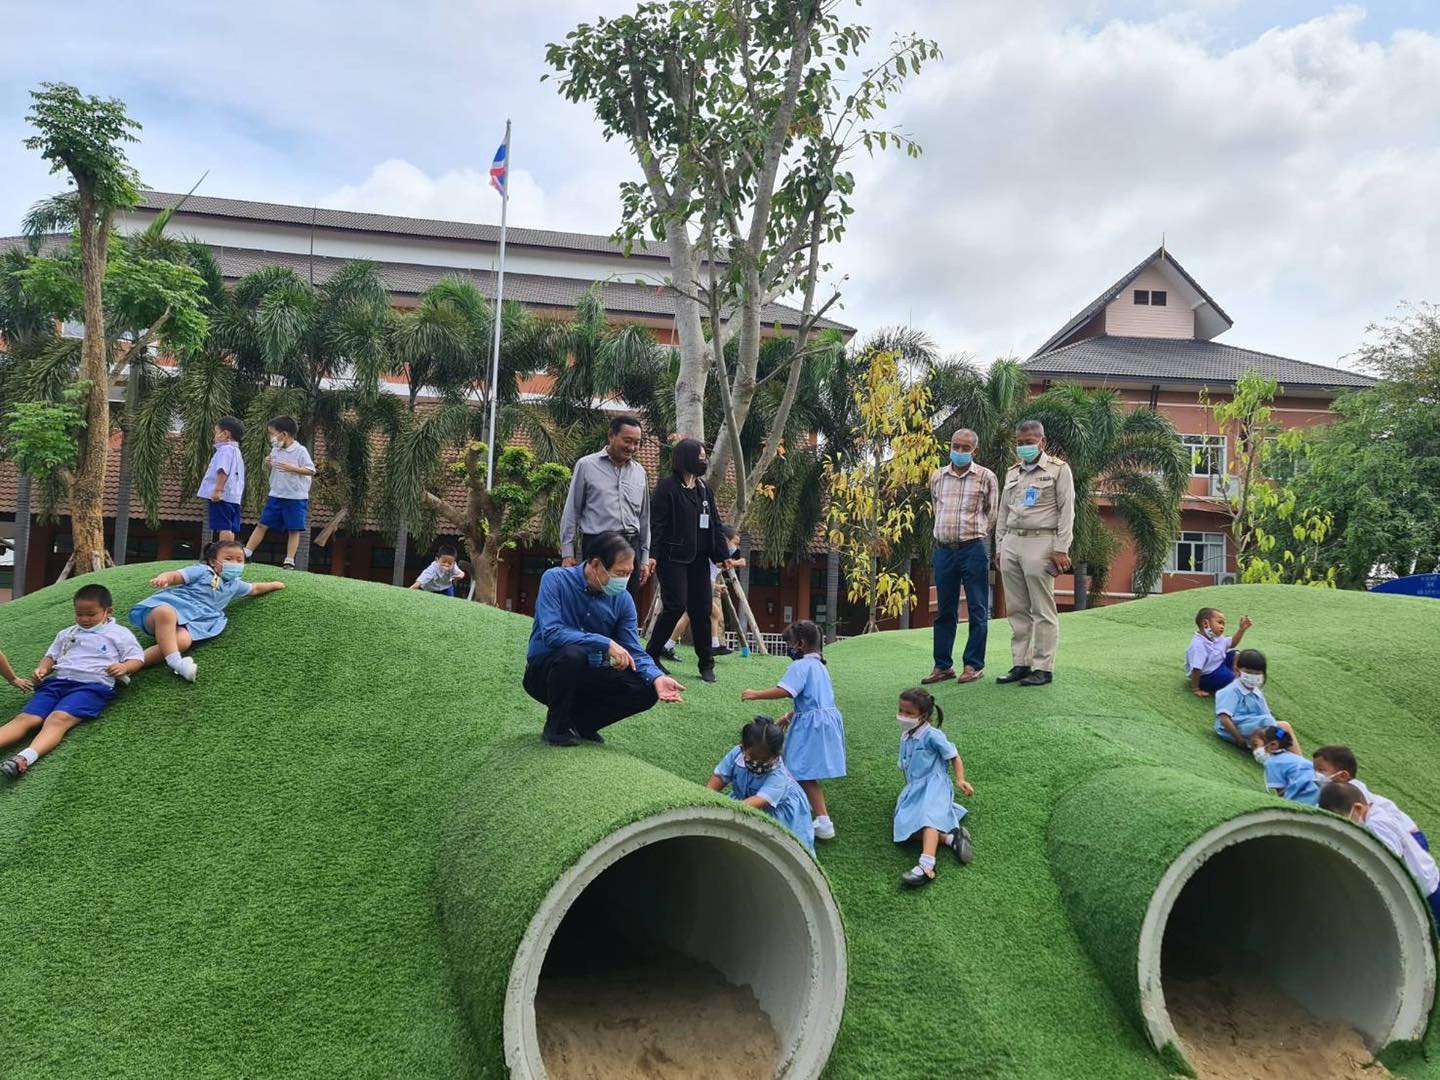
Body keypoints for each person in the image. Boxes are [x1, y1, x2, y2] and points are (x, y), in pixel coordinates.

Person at [525, 532, 686, 747]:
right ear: (595, 565)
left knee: (646, 687)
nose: (624, 579)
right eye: (619, 573)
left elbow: (633, 648)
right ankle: (556, 727)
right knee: (573, 654)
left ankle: (581, 724)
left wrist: (657, 677)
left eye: (628, 573)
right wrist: (606, 643)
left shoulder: (623, 599)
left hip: (591, 672)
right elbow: (552, 633)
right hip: (546, 673)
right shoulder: (555, 579)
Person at [0, 584, 145, 780]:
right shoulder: (67, 633)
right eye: (79, 614)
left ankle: (25, 758)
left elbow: (137, 658)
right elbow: (51, 656)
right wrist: (42, 669)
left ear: (108, 611)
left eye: (91, 614)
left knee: (57, 719)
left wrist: (125, 667)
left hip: (91, 686)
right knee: (27, 718)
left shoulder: (119, 633)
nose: (84, 619)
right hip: (58, 682)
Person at [740, 620, 844, 841]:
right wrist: (789, 716)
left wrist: (755, 694)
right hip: (822, 721)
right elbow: (813, 699)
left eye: (790, 644)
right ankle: (813, 812)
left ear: (801, 644)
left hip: (811, 726)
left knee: (799, 771)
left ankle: (822, 820)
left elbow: (786, 690)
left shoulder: (801, 666)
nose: (789, 648)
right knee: (803, 770)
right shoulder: (820, 666)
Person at [129, 540, 286, 682]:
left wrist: (274, 585)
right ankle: (176, 662)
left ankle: (129, 666)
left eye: (240, 560)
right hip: (168, 611)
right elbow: (175, 576)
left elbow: (255, 588)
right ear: (212, 561)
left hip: (193, 623)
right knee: (166, 612)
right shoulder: (202, 571)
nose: (235, 564)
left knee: (183, 642)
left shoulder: (235, 585)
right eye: (229, 559)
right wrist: (164, 578)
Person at [995, 419, 1075, 687]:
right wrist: (1000, 547)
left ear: (1042, 441)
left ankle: (1043, 667)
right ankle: (1021, 663)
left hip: (1041, 542)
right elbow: (1003, 512)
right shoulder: (1012, 472)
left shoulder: (1058, 470)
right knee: (1017, 608)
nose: (1023, 447)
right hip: (1012, 541)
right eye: (1019, 443)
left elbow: (1067, 511)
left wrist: (1061, 548)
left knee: (1042, 608)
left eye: (1029, 442)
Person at [646, 438, 732, 683]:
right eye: (700, 457)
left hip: (699, 560)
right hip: (672, 559)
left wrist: (722, 555)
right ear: (686, 458)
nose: (704, 460)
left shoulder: (704, 490)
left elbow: (715, 525)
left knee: (702, 609)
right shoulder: (667, 488)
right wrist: (652, 555)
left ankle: (706, 664)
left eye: (704, 457)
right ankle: (651, 654)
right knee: (674, 606)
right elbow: (657, 526)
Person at [923, 428, 999, 686]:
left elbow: (991, 514)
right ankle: (942, 666)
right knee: (945, 610)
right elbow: (937, 508)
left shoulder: (986, 477)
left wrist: (975, 536)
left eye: (966, 448)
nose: (959, 451)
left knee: (977, 608)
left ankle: (973, 665)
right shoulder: (937, 477)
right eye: (956, 446)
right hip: (944, 550)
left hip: (973, 549)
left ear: (975, 451)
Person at [559, 415, 654, 601]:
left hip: (631, 547)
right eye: (627, 441)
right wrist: (567, 552)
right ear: (611, 435)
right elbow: (572, 510)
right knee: (594, 603)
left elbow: (644, 518)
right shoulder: (586, 466)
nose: (632, 447)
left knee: (626, 603)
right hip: (598, 545)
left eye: (637, 443)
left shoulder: (640, 472)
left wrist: (644, 558)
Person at [1320, 781, 1440, 923]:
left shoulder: (1376, 823)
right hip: (1420, 883)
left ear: (1358, 808)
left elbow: (1389, 857)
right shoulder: (1374, 816)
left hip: (1426, 887)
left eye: (1343, 818)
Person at [893, 687, 974, 889]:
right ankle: (950, 838)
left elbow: (954, 756)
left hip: (935, 785)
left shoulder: (932, 735)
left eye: (909, 713)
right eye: (901, 710)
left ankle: (927, 865)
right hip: (916, 787)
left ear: (923, 715)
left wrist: (960, 779)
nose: (903, 716)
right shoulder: (907, 734)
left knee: (928, 819)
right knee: (903, 828)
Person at [707, 716, 815, 853]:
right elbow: (720, 777)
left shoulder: (778, 775)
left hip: (774, 807)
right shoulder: (737, 754)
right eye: (752, 756)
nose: (757, 762)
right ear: (743, 747)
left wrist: (726, 811)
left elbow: (759, 801)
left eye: (764, 759)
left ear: (777, 755)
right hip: (746, 797)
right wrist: (707, 797)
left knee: (780, 848)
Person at [1313, 745, 1429, 850]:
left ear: (1343, 775)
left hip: (1410, 836)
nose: (1316, 775)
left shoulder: (1354, 792)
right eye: (1315, 770)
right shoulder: (1339, 791)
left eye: (1321, 770)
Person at [243, 415, 315, 570]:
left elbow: (311, 470)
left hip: (295, 497)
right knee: (262, 524)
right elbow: (274, 470)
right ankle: (247, 552)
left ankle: (289, 560)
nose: (271, 438)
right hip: (276, 494)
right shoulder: (275, 450)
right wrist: (269, 464)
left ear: (284, 434)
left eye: (272, 434)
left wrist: (292, 468)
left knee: (294, 529)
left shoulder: (300, 451)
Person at [662, 525, 744, 661]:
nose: (735, 547)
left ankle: (713, 645)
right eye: (734, 543)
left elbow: (711, 574)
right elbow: (719, 564)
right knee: (689, 616)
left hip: (699, 586)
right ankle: (667, 646)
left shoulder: (718, 552)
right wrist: (737, 562)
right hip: (695, 587)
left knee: (713, 613)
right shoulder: (715, 550)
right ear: (725, 540)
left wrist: (716, 587)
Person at [1213, 650, 1299, 753]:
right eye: (1249, 672)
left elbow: (1266, 714)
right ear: (1237, 670)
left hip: (1253, 728)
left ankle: (1297, 758)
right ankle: (1267, 752)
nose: (1253, 676)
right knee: (1269, 723)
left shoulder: (1257, 692)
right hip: (1232, 730)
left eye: (1257, 673)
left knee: (1284, 726)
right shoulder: (1232, 691)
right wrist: (1238, 738)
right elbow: (1224, 718)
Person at [199, 415, 246, 542]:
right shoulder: (236, 451)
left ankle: (224, 550)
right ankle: (229, 548)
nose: (214, 436)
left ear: (225, 434)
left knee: (223, 526)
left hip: (222, 496)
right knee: (229, 527)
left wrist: (218, 490)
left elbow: (222, 470)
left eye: (216, 432)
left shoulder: (225, 450)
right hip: (233, 496)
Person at [1186, 608, 1253, 697]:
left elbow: (1232, 643)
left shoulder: (1216, 636)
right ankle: (1235, 679)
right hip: (1206, 676)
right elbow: (1196, 669)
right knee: (1229, 678)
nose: (1222, 627)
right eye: (1220, 622)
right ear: (1205, 624)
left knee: (1238, 655)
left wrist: (1241, 629)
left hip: (1219, 663)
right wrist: (1196, 689)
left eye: (1223, 624)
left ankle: (1235, 673)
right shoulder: (1198, 645)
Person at [1252, 725, 1319, 806]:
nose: (1255, 751)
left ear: (1273, 744)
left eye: (1256, 745)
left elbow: (1281, 792)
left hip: (1307, 792)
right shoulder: (1290, 756)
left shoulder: (1272, 762)